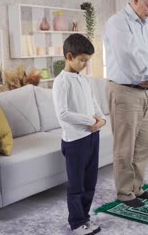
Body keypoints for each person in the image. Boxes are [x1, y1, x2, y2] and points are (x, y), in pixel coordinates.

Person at [103, 0, 148, 208]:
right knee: (125, 146)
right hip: (123, 91)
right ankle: (123, 192)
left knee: (144, 142)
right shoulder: (117, 22)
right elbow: (130, 59)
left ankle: (136, 187)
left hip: (143, 92)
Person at [53, 33, 106, 235]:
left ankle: (85, 217)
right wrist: (91, 121)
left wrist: (102, 120)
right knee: (76, 185)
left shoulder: (84, 80)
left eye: (87, 60)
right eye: (82, 60)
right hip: (75, 141)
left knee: (90, 182)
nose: (85, 64)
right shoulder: (61, 82)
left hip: (92, 137)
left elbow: (94, 103)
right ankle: (76, 222)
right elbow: (63, 114)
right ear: (69, 56)